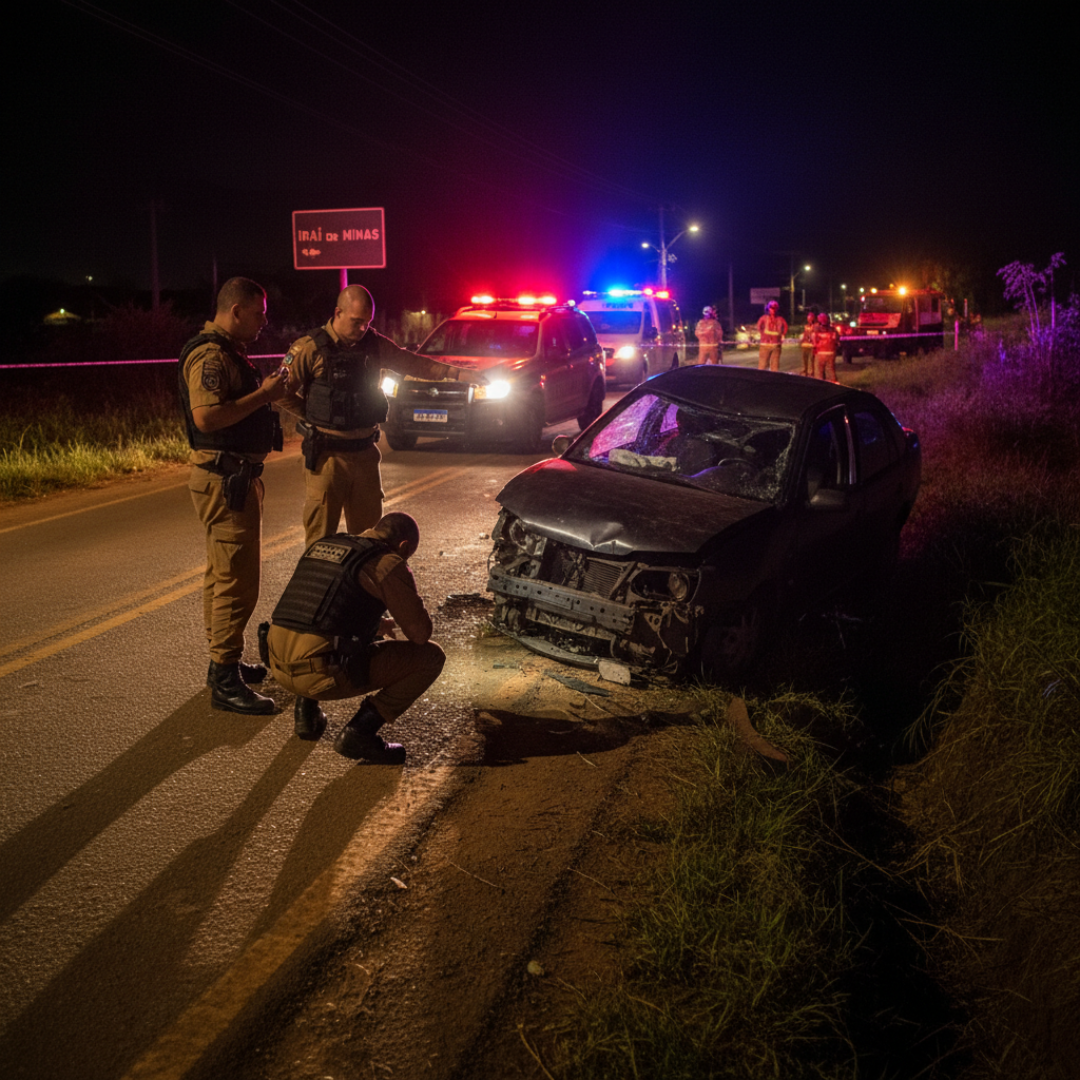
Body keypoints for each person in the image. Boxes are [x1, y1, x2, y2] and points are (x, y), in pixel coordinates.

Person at [280, 285, 483, 548]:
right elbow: (279, 390)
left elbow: (413, 363)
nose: (362, 328)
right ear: (338, 312)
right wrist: (310, 415)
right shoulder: (310, 348)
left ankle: (362, 590)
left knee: (370, 542)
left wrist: (459, 374)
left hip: (365, 454)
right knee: (320, 543)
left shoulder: (374, 344)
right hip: (328, 457)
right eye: (356, 322)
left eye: (367, 323)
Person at [179, 276, 289, 715]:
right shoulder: (210, 356)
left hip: (233, 478)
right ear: (236, 310)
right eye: (260, 312)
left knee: (223, 575)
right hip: (226, 482)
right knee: (236, 583)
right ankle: (225, 679)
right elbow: (206, 418)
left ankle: (222, 663)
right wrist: (263, 395)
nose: (265, 321)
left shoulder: (229, 354)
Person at [265, 512, 445, 764]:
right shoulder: (387, 562)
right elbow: (420, 634)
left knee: (316, 635)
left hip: (277, 662)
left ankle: (306, 714)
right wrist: (407, 588)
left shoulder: (324, 545)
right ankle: (359, 732)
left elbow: (320, 610)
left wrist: (376, 625)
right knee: (432, 657)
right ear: (404, 546)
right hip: (318, 676)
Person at [756, 300, 788, 371]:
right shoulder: (764, 318)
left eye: (775, 308)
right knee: (763, 365)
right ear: (768, 308)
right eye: (771, 308)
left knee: (775, 366)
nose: (773, 310)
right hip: (765, 345)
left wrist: (783, 334)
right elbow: (758, 326)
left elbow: (785, 327)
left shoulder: (780, 319)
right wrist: (763, 334)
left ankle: (774, 380)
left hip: (776, 346)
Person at [812, 312, 840, 383]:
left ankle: (820, 387)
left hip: (820, 353)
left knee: (819, 372)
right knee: (831, 370)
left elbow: (813, 342)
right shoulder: (833, 330)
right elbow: (837, 341)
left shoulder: (816, 330)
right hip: (831, 353)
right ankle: (835, 386)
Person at [800, 310, 817, 376]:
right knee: (805, 359)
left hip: (812, 345)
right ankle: (805, 370)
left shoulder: (816, 326)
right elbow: (804, 334)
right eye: (808, 318)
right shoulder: (806, 326)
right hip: (805, 344)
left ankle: (813, 371)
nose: (809, 320)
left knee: (812, 359)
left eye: (811, 318)